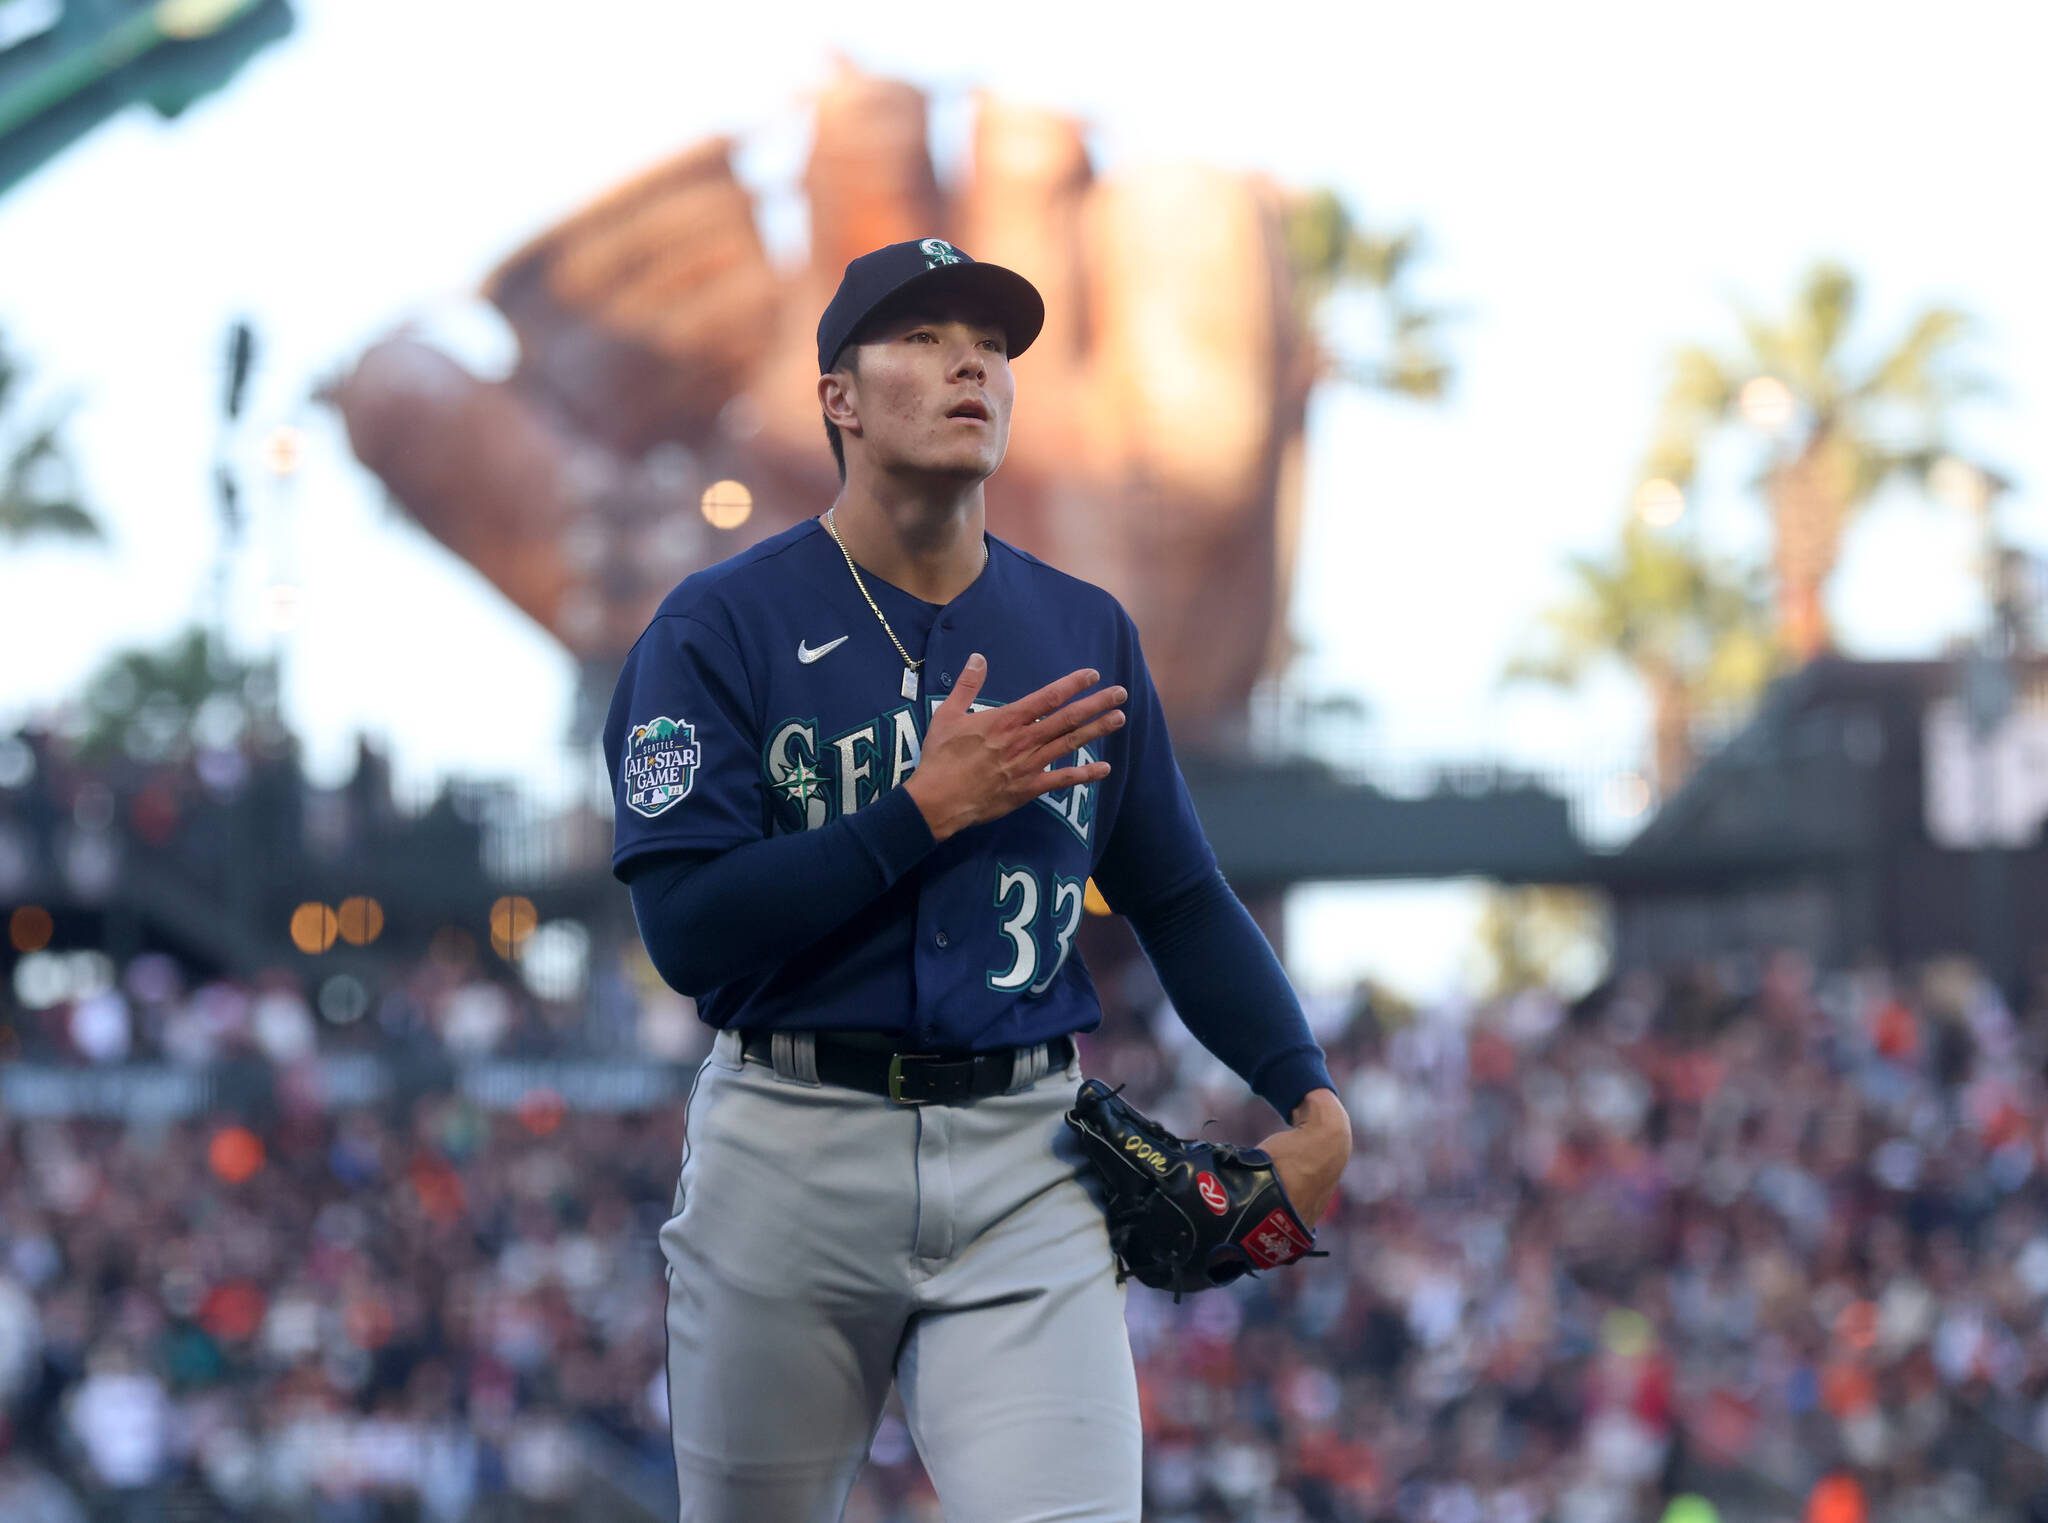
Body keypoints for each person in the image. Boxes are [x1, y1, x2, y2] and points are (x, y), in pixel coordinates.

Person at [605, 236, 1353, 1523]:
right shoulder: (715, 626)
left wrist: (1306, 1088)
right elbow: (686, 932)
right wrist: (915, 814)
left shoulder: (1078, 630)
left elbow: (1174, 893)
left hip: (1027, 1152)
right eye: (922, 336)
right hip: (790, 1145)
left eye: (993, 345)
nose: (970, 362)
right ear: (837, 395)